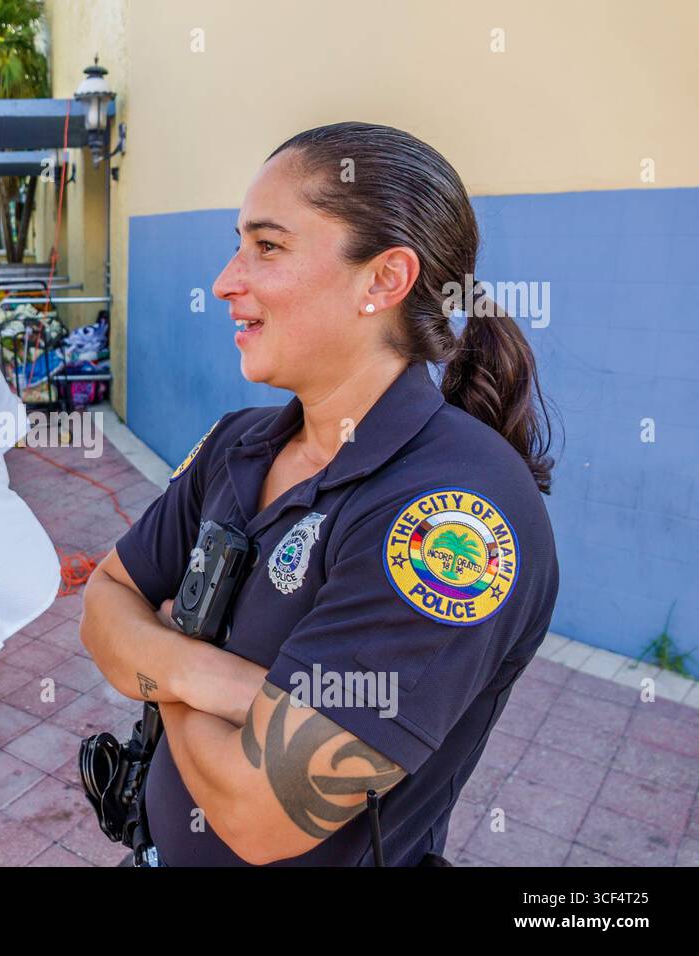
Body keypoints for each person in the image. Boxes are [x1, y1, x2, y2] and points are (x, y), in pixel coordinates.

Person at [79, 122, 559, 867]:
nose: (225, 282)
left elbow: (258, 813)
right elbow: (105, 598)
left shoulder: (455, 513)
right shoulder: (239, 442)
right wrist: (226, 683)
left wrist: (165, 648)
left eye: (267, 247)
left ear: (384, 281)